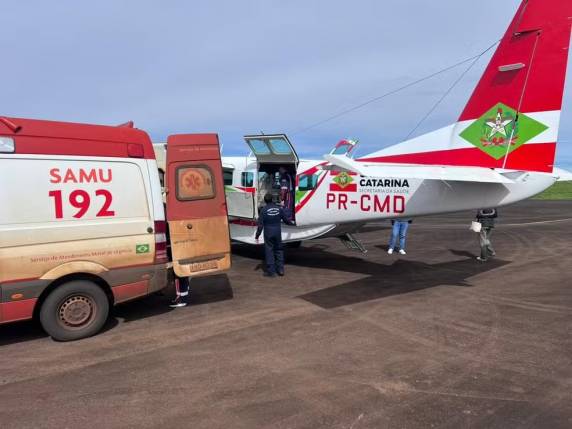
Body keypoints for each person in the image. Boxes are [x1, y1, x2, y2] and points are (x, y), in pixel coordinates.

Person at [255, 193, 295, 277]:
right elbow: (286, 220)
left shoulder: (263, 210)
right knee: (279, 250)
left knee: (269, 251)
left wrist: (257, 235)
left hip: (268, 233)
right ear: (272, 199)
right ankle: (280, 270)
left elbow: (260, 225)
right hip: (277, 233)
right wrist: (293, 224)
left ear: (265, 201)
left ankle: (271, 272)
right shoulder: (279, 209)